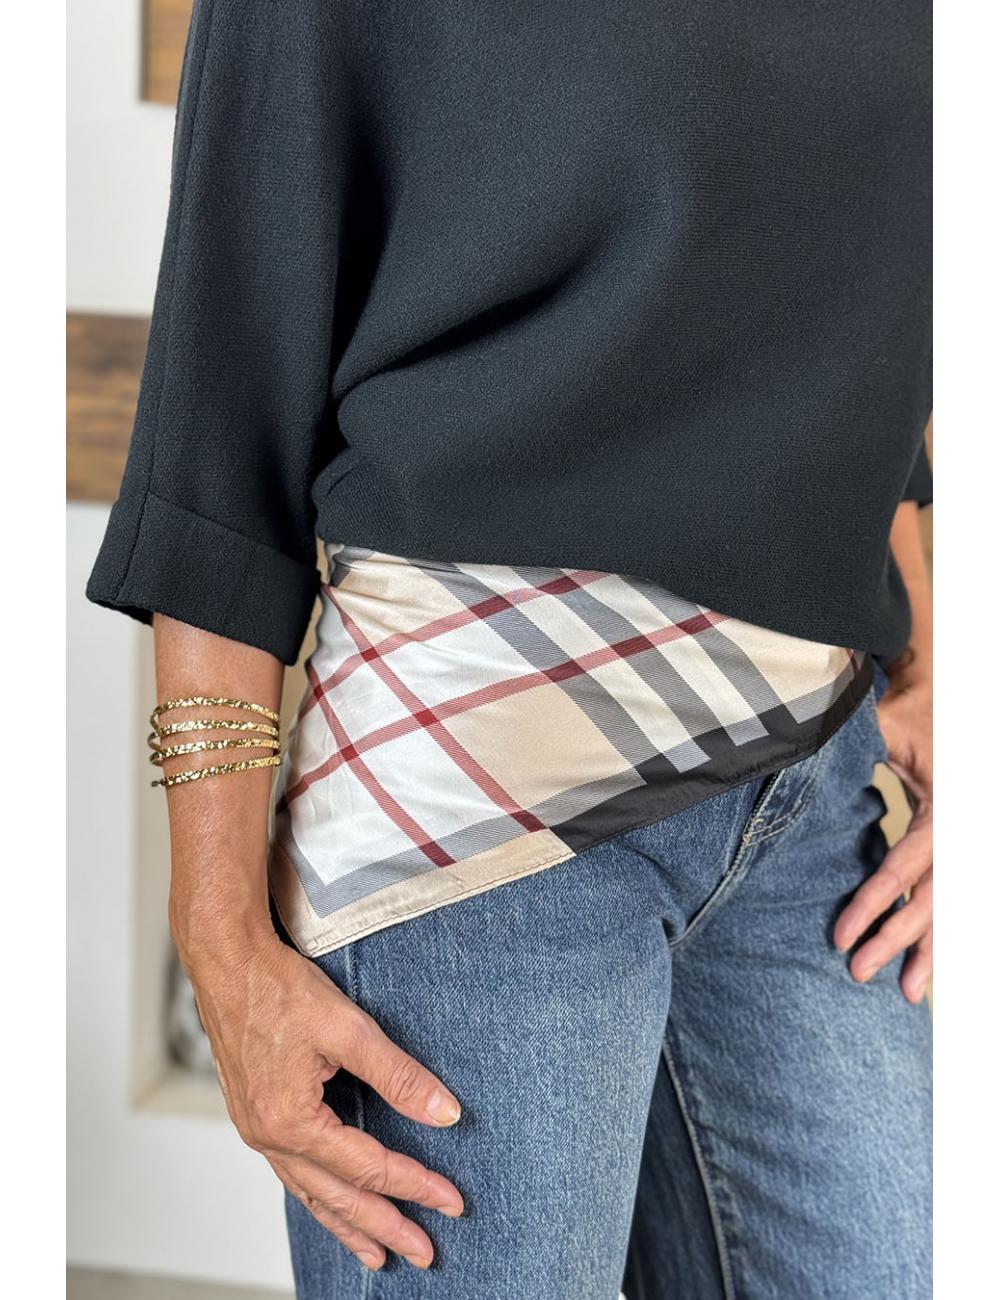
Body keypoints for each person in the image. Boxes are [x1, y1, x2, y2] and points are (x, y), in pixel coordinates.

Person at [85, 0, 932, 1295]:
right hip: (471, 816)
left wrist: (939, 675)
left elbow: (868, 311)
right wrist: (217, 932)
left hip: (820, 785)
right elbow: (224, 406)